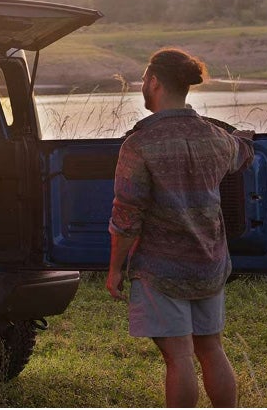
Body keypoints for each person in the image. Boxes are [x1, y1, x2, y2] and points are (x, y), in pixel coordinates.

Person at [107, 48, 252, 408]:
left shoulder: (139, 144)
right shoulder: (215, 137)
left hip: (161, 271)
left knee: (179, 357)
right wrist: (247, 137)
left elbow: (126, 216)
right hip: (210, 265)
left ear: (154, 82)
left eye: (143, 79)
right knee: (211, 348)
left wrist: (114, 269)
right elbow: (242, 153)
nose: (142, 84)